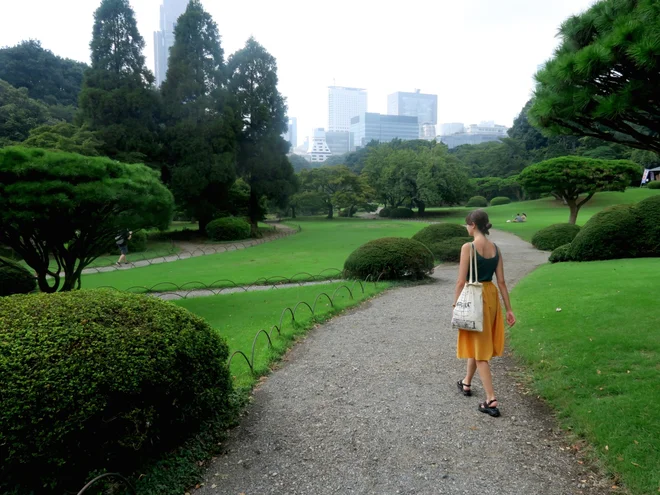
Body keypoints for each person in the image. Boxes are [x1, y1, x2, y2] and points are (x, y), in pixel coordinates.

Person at [453, 210, 516, 417]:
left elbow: (461, 281)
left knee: (481, 353)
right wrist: (509, 309)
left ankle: (491, 399)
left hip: (474, 297)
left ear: (472, 224)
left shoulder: (468, 247)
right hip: (491, 296)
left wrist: (455, 304)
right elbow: (503, 282)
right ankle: (466, 382)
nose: (467, 228)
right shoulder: (495, 248)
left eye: (467, 225)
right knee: (477, 343)